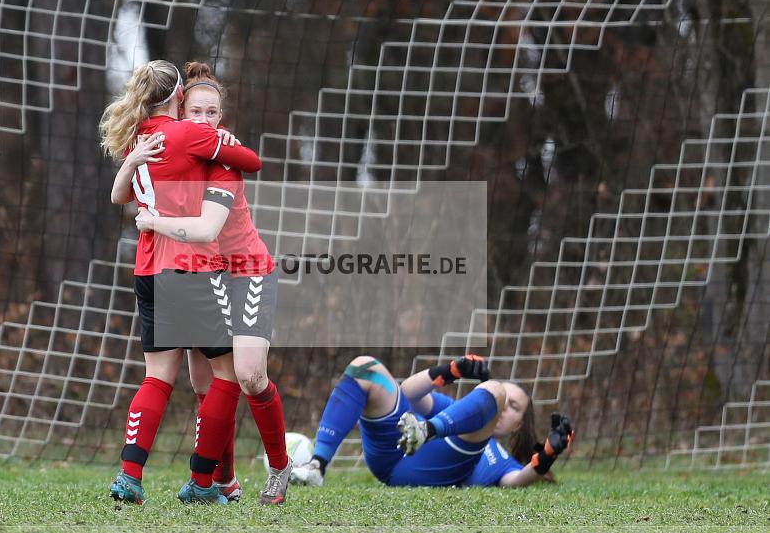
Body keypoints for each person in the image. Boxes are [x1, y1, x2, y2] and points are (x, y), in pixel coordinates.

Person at [99, 59, 262, 506]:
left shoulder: (139, 139)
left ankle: (129, 476)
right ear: (178, 98)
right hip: (190, 267)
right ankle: (202, 483)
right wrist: (224, 140)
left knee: (157, 379)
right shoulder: (189, 133)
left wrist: (131, 160)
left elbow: (119, 197)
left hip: (148, 271)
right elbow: (252, 162)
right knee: (226, 376)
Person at [134, 62, 291, 505]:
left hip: (246, 270)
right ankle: (224, 482)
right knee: (206, 387)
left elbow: (207, 226)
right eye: (196, 112)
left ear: (221, 118)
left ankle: (280, 466)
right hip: (204, 274)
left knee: (248, 374)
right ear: (181, 112)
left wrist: (152, 220)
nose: (204, 120)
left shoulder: (223, 157)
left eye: (212, 113)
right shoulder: (175, 151)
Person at [290, 354, 574, 488]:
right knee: (365, 367)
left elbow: (516, 481)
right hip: (392, 452)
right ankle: (317, 465)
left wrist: (547, 455)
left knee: (494, 388)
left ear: (518, 425)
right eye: (502, 402)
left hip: (424, 470)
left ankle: (426, 431)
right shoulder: (454, 410)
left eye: (512, 407)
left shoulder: (501, 458)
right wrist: (450, 371)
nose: (503, 407)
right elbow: (408, 394)